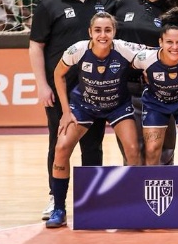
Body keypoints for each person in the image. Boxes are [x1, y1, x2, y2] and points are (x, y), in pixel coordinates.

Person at [29, 0, 117, 221]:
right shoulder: (49, 5)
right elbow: (36, 47)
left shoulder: (107, 2)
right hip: (61, 91)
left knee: (93, 145)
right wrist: (43, 85)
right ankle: (56, 199)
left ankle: (90, 199)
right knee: (59, 143)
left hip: (97, 90)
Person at [46, 12, 142, 228]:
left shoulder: (125, 49)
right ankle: (59, 208)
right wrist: (65, 111)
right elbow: (58, 74)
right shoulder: (77, 50)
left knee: (133, 149)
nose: (103, 35)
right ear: (90, 32)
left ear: (114, 32)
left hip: (118, 106)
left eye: (108, 30)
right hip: (84, 105)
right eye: (98, 30)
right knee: (61, 147)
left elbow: (155, 55)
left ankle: (134, 206)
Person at [115, 0, 178, 165]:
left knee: (163, 151)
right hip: (127, 87)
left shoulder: (173, 10)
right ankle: (134, 193)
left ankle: (164, 194)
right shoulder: (124, 3)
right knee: (132, 151)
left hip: (162, 88)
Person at [131, 8, 178, 165]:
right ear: (160, 42)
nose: (174, 47)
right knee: (152, 149)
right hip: (156, 102)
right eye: (169, 42)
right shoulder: (145, 58)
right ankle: (152, 186)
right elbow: (127, 62)